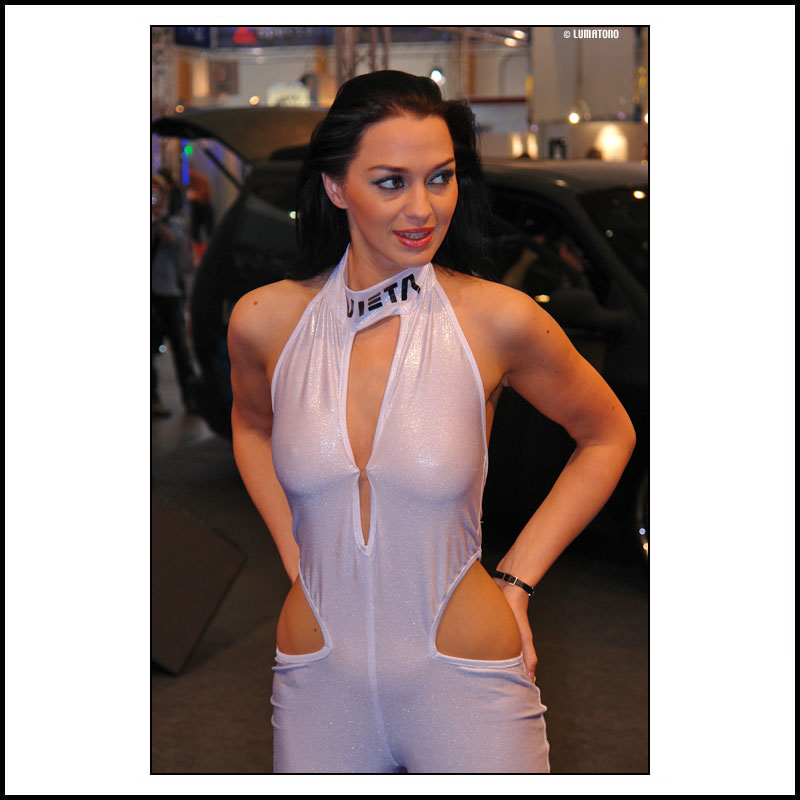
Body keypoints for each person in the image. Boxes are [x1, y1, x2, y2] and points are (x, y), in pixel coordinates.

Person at [227, 71, 636, 774]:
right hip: (317, 682)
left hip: (465, 678)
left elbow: (607, 435)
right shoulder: (265, 321)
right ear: (335, 187)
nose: (423, 207)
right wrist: (299, 555)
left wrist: (518, 581)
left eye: (440, 178)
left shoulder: (496, 319)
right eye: (391, 182)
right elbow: (251, 428)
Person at [151, 173, 197, 416]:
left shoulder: (173, 222)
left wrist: (156, 220)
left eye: (156, 193)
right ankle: (152, 401)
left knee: (181, 349)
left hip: (169, 292)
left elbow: (172, 241)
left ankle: (191, 398)